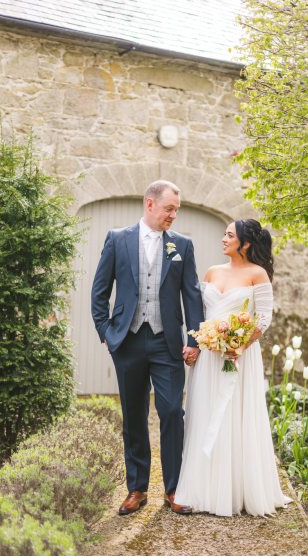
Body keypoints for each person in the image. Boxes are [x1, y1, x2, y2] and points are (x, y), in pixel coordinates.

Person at [91, 180, 204, 516]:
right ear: (150, 204)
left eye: (176, 210)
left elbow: (192, 295)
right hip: (127, 341)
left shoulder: (183, 244)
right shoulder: (117, 239)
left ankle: (173, 489)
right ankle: (137, 489)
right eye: (169, 208)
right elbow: (99, 293)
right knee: (134, 416)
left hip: (166, 342)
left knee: (172, 412)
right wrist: (108, 335)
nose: (173, 215)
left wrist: (194, 340)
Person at [175, 219, 291, 516]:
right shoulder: (213, 272)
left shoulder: (258, 274)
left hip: (239, 357)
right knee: (203, 413)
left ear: (246, 243)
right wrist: (198, 344)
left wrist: (239, 346)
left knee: (234, 415)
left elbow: (263, 319)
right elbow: (200, 315)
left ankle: (236, 490)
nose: (223, 238)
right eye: (224, 234)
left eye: (229, 235)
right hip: (209, 357)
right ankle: (202, 488)